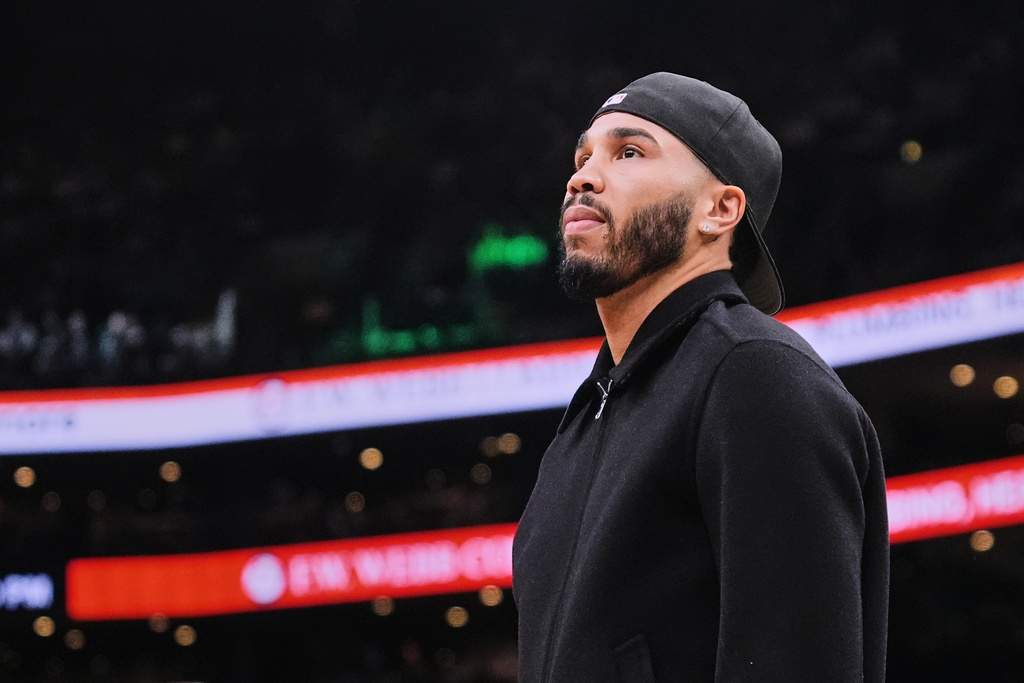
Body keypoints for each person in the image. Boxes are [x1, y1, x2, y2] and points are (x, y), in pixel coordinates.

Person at [512, 73, 889, 682]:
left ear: (719, 210)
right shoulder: (581, 423)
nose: (581, 177)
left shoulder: (755, 376)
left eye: (628, 152)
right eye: (583, 156)